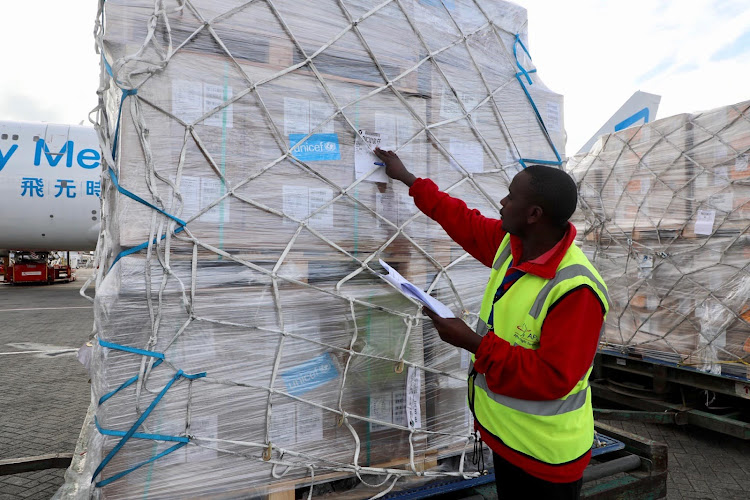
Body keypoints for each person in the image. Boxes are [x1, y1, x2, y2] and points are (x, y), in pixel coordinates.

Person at [374, 148, 609, 500]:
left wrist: (472, 342)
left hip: (545, 457)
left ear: (534, 214)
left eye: (511, 196)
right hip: (509, 439)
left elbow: (553, 379)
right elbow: (459, 218)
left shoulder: (577, 290)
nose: (502, 202)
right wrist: (407, 178)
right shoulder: (513, 247)